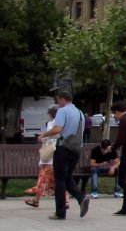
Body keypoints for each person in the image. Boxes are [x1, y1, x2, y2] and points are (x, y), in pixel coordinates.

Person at [39, 90, 89, 220]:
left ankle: (60, 212)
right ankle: (81, 198)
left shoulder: (63, 111)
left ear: (62, 99)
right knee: (67, 178)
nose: (58, 103)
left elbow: (58, 129)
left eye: (58, 100)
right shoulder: (80, 112)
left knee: (60, 181)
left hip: (64, 148)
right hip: (76, 149)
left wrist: (44, 135)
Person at [23, 106, 62, 209]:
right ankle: (65, 201)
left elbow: (50, 137)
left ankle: (36, 199)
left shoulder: (51, 123)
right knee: (59, 179)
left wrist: (42, 137)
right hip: (59, 154)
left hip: (49, 156)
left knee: (43, 178)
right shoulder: (62, 123)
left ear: (51, 114)